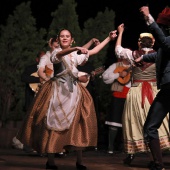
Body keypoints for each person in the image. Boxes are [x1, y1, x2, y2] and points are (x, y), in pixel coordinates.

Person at [17, 28, 117, 170]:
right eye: (62, 36)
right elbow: (61, 55)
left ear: (71, 39)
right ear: (58, 40)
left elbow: (93, 52)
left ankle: (80, 161)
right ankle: (51, 161)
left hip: (73, 92)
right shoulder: (55, 54)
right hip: (57, 91)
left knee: (78, 123)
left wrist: (108, 39)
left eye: (67, 36)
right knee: (51, 122)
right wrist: (75, 48)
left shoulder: (74, 56)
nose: (64, 38)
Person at [115, 23, 170, 167]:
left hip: (136, 92)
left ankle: (143, 156)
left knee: (137, 122)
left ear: (139, 42)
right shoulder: (161, 53)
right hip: (155, 90)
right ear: (153, 42)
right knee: (159, 123)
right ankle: (156, 158)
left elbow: (118, 50)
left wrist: (120, 33)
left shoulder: (131, 54)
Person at [134, 6, 170, 170]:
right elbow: (159, 53)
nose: (161, 29)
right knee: (150, 126)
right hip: (168, 89)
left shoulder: (167, 40)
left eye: (162, 26)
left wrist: (149, 18)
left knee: (150, 126)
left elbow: (163, 43)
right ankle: (158, 164)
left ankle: (158, 164)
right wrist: (143, 57)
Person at [12, 50, 45, 152]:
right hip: (31, 100)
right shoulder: (31, 68)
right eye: (42, 59)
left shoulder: (48, 69)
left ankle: (40, 146)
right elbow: (24, 77)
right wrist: (38, 80)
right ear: (37, 59)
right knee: (29, 124)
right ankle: (27, 145)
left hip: (43, 101)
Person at [102, 58, 131, 154]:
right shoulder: (116, 65)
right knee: (114, 121)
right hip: (118, 96)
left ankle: (125, 147)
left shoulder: (134, 66)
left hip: (131, 96)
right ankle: (110, 146)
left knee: (128, 122)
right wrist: (118, 74)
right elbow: (105, 77)